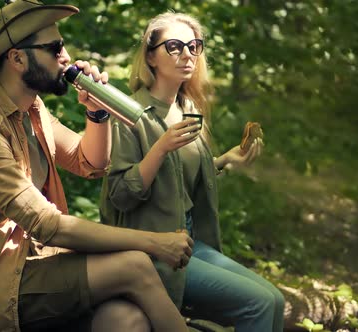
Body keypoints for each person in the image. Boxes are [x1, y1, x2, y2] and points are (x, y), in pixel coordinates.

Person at [0, 1, 193, 331]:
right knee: (136, 265)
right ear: (17, 58)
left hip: (38, 262)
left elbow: (89, 162)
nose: (66, 57)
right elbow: (47, 225)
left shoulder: (31, 110)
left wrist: (97, 111)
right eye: (55, 48)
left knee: (124, 320)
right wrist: (152, 242)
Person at [99, 11, 286, 332]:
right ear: (150, 56)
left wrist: (226, 160)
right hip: (153, 250)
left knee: (276, 300)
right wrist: (160, 147)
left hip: (191, 240)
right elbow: (120, 196)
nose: (187, 55)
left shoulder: (188, 109)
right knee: (259, 303)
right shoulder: (128, 114)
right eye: (174, 46)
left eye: (194, 46)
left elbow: (176, 183)